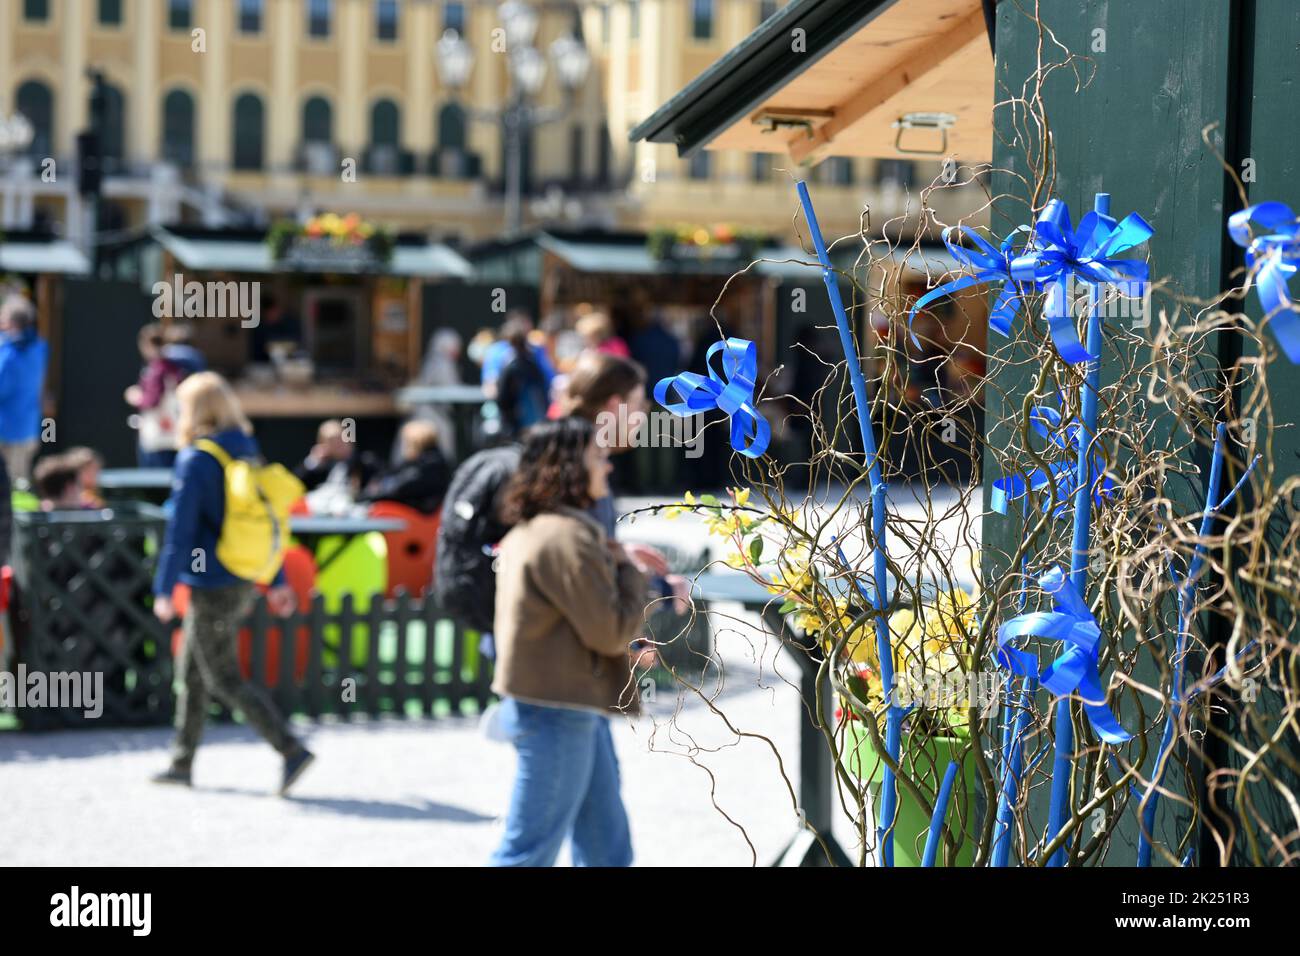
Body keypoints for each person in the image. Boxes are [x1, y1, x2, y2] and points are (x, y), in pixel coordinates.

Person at [489, 417, 649, 867]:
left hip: (562, 706)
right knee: (527, 853)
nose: (608, 468)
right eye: (598, 458)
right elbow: (610, 632)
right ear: (568, 469)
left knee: (605, 846)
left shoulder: (542, 527)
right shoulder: (568, 536)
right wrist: (631, 572)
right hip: (559, 709)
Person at [150, 372, 314, 793]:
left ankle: (290, 748)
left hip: (212, 580)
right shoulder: (245, 451)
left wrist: (164, 589)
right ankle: (182, 761)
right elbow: (264, 522)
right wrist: (273, 577)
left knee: (221, 675)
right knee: (193, 670)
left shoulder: (197, 459)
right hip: (242, 574)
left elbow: (180, 532)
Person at [124, 324, 190, 468]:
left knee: (153, 481)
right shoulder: (176, 367)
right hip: (174, 435)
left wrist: (136, 397)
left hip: (157, 436)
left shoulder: (157, 370)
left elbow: (152, 401)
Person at [0, 294, 48, 484]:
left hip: (8, 431)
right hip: (28, 428)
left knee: (12, 486)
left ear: (10, 321)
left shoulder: (10, 353)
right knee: (20, 482)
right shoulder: (40, 347)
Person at [358, 420, 452, 515]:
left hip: (419, 518)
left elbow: (400, 488)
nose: (403, 447)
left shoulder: (430, 465)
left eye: (406, 442)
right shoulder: (419, 463)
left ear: (415, 443)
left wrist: (368, 495)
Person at [495, 318, 551, 437]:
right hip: (531, 418)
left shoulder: (513, 365)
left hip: (522, 420)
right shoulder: (530, 363)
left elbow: (502, 397)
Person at [294, 419, 381, 494]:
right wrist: (312, 462)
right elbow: (295, 485)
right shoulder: (319, 466)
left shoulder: (365, 461)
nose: (338, 444)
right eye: (331, 441)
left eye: (340, 438)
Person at [481, 311, 556, 393]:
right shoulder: (496, 351)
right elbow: (490, 386)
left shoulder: (536, 350)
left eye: (526, 323)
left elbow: (550, 378)